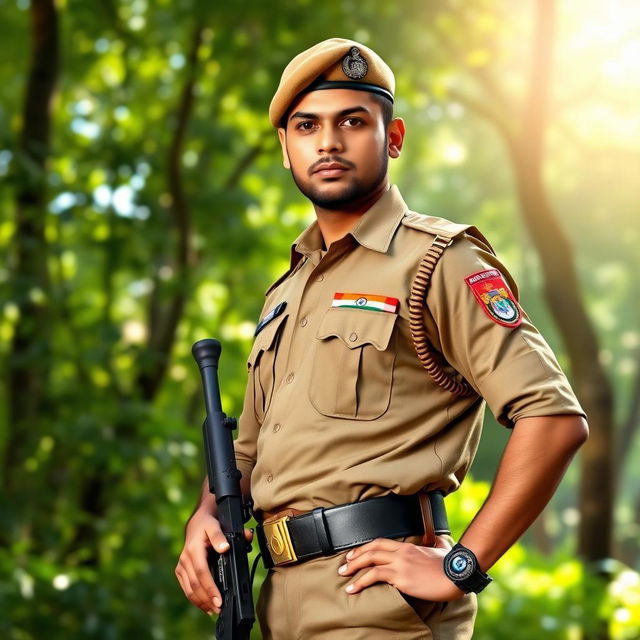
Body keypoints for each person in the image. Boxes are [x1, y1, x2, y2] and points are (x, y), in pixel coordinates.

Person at [176, 38, 588, 639]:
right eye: (307, 125)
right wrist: (204, 516)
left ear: (392, 139)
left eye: (353, 121)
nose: (328, 141)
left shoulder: (438, 259)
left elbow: (552, 417)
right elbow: (249, 453)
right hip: (276, 604)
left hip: (380, 610)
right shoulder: (285, 293)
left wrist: (460, 566)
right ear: (286, 151)